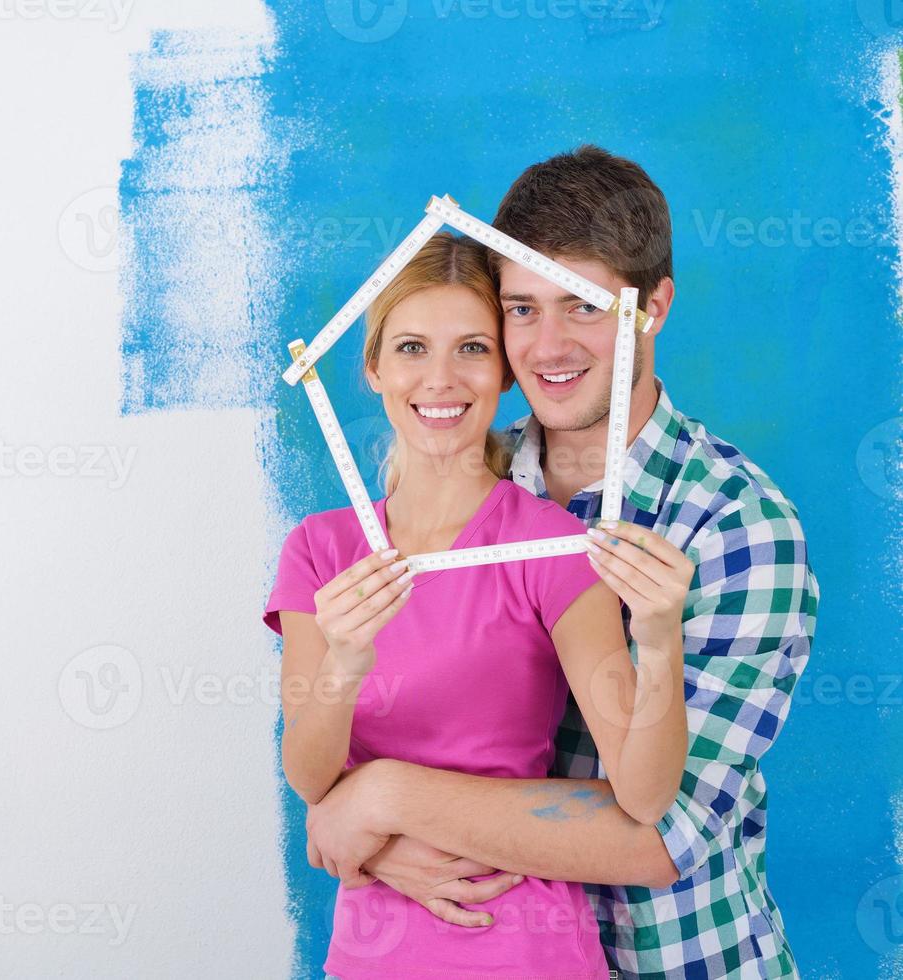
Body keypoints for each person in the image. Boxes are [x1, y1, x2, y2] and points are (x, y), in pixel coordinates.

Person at [301, 147, 820, 979]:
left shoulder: (739, 529)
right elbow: (352, 754)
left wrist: (383, 805)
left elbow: (657, 834)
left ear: (651, 308)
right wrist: (371, 834)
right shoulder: (462, 487)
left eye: (581, 307)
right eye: (520, 309)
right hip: (490, 949)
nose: (546, 346)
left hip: (678, 960)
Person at [263, 230, 692, 978]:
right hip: (371, 948)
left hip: (522, 941)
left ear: (503, 374)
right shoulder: (319, 549)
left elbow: (645, 794)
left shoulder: (552, 546)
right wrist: (343, 662)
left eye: (470, 348)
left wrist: (657, 642)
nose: (440, 379)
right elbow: (307, 776)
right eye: (409, 349)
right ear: (369, 369)